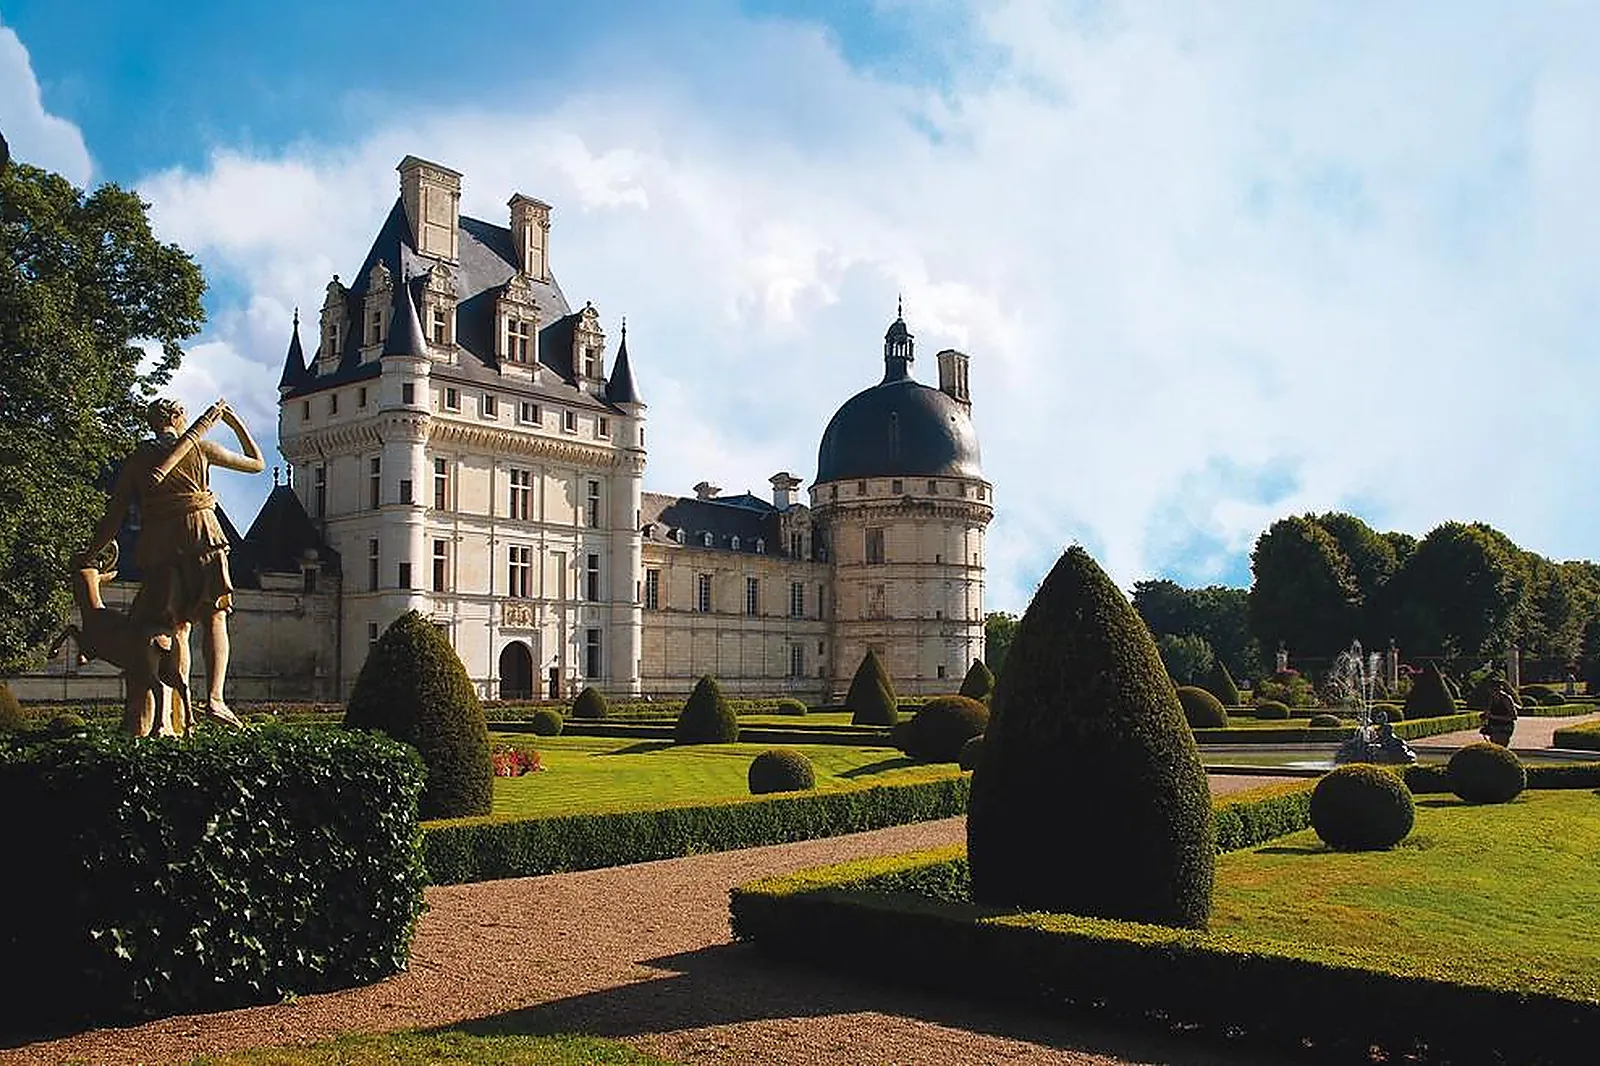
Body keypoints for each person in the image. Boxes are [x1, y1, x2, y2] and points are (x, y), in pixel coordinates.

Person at [85, 397, 265, 732]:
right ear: (180, 418)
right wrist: (233, 421)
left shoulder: (138, 459)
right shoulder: (201, 448)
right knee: (214, 615)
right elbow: (257, 463)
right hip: (201, 534)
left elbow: (114, 517)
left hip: (160, 543)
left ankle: (166, 719)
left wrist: (90, 553)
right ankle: (214, 698)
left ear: (152, 422)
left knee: (173, 626)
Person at [1481, 680, 1520, 748]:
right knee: (1493, 747)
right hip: (1493, 727)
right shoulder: (1491, 698)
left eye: (1494, 690)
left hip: (1505, 727)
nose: (1492, 692)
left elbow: (1514, 717)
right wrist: (1485, 716)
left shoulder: (1506, 699)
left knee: (1500, 747)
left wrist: (1494, 717)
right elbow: (1488, 712)